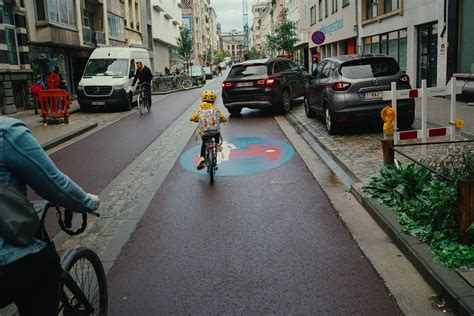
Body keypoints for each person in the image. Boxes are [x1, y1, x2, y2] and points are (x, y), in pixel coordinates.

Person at [0, 116, 99, 315]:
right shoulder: (7, 133)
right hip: (9, 260)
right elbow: (54, 184)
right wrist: (87, 202)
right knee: (43, 273)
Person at [190, 90, 227, 170]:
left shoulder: (200, 108)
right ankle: (217, 146)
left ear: (202, 99)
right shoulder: (214, 108)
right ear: (214, 100)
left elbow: (194, 117)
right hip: (214, 131)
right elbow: (222, 117)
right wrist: (223, 120)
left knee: (204, 142)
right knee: (217, 132)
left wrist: (193, 119)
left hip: (205, 132)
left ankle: (203, 157)